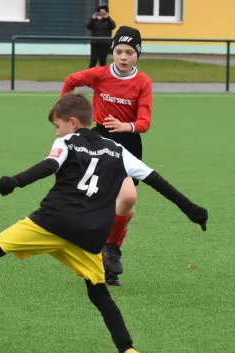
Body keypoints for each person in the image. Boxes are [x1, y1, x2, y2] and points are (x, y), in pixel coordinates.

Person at [0, 93, 208, 353]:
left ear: (72, 122)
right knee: (99, 293)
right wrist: (192, 210)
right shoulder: (118, 150)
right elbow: (158, 181)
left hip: (52, 222)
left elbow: (50, 166)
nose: (56, 131)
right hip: (89, 236)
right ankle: (127, 350)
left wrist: (16, 181)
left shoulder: (66, 142)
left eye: (57, 125)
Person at [61, 26, 151, 286]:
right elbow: (71, 81)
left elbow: (144, 121)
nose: (123, 57)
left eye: (129, 52)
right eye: (119, 51)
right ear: (113, 52)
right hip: (101, 143)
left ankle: (108, 250)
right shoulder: (100, 74)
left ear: (138, 55)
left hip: (130, 144)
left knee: (127, 208)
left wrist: (126, 126)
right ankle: (107, 251)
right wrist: (66, 114)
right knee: (117, 198)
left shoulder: (143, 82)